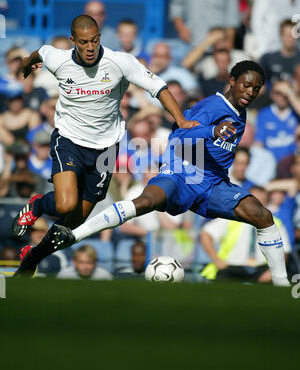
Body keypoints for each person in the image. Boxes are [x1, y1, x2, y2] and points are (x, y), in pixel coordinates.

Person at [16, 60, 291, 287]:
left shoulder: (239, 112)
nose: (251, 92)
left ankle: (280, 287)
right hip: (183, 173)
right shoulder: (213, 107)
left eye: (256, 88)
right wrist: (211, 131)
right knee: (146, 202)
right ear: (232, 80)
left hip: (212, 183)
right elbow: (181, 132)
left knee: (262, 216)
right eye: (246, 85)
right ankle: (74, 236)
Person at [11, 13, 199, 264]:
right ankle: (37, 206)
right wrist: (26, 65)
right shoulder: (58, 59)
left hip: (106, 148)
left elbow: (159, 87)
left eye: (94, 41)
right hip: (69, 140)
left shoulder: (120, 62)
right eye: (83, 42)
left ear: (99, 38)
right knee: (66, 204)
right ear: (72, 41)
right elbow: (39, 54)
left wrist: (182, 120)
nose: (90, 48)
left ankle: (33, 257)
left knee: (75, 221)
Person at [200, 186, 291, 283]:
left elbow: (283, 250)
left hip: (260, 270)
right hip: (231, 268)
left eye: (260, 202)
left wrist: (271, 272)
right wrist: (217, 260)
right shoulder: (230, 219)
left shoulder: (275, 224)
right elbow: (206, 234)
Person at [254, 80, 300, 163]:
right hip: (270, 163)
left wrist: (290, 94)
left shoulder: (296, 113)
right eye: (278, 92)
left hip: (293, 163)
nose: (282, 96)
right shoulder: (263, 114)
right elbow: (258, 143)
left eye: (285, 93)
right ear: (272, 94)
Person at [259, 19, 300, 88]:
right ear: (281, 36)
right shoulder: (267, 59)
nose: (289, 38)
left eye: (292, 35)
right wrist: (275, 86)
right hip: (272, 96)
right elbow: (259, 85)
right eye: (286, 35)